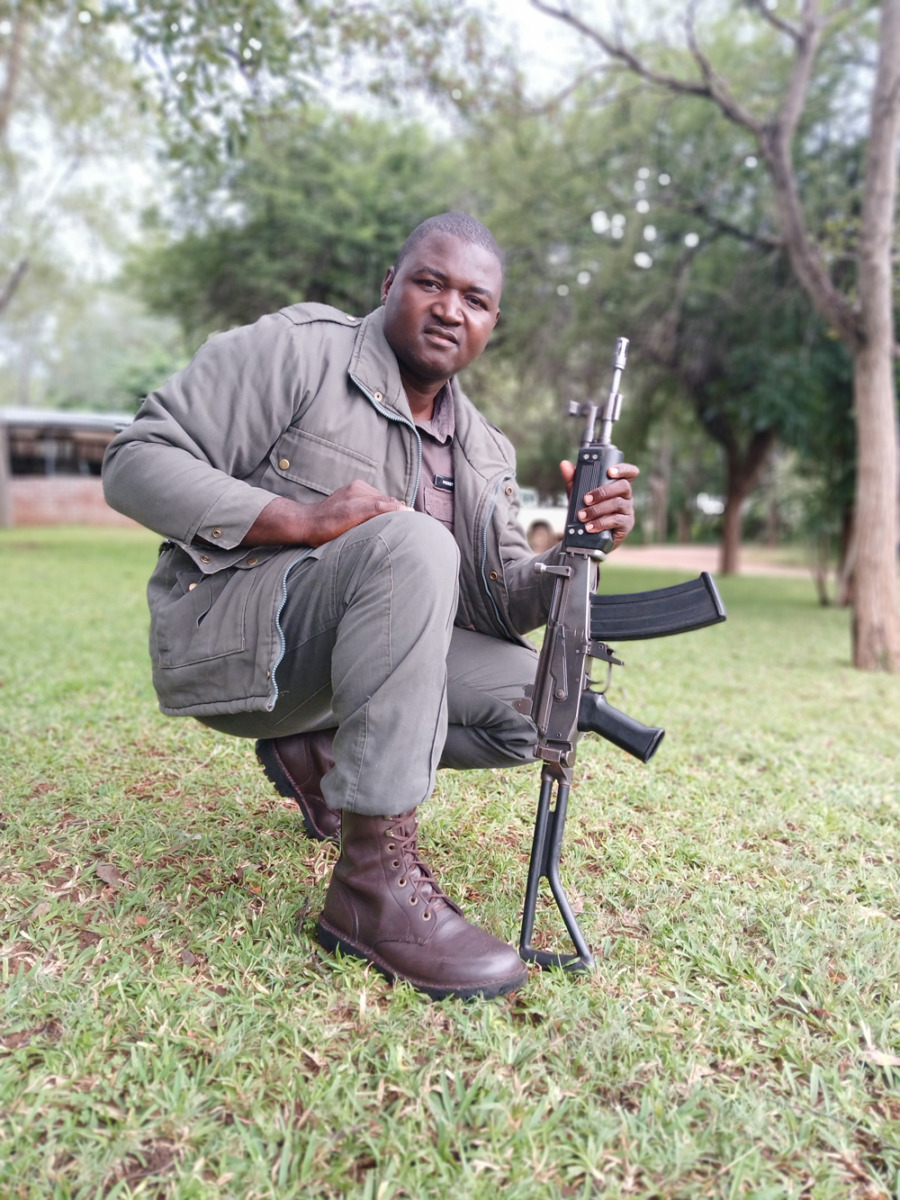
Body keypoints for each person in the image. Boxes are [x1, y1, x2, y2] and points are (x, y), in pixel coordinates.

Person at [103, 212, 638, 1001]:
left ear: (493, 323)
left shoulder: (484, 451)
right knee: (413, 542)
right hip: (236, 641)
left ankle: (316, 747)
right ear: (390, 285)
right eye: (431, 282)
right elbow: (135, 460)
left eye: (476, 300)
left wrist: (577, 551)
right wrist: (298, 518)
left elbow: (497, 604)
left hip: (339, 658)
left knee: (540, 708)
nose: (451, 309)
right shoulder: (297, 350)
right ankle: (368, 888)